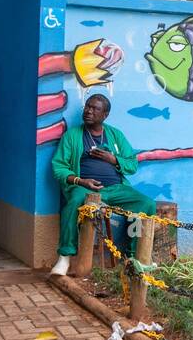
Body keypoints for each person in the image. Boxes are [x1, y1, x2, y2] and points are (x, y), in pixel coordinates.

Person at [49, 94, 157, 275]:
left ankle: (133, 255)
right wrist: (80, 181)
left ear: (105, 114)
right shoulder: (73, 135)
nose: (88, 111)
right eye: (87, 107)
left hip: (116, 188)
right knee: (74, 201)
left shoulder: (115, 135)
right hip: (84, 187)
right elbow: (58, 166)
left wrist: (113, 159)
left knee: (146, 204)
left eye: (95, 108)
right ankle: (64, 257)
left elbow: (132, 164)